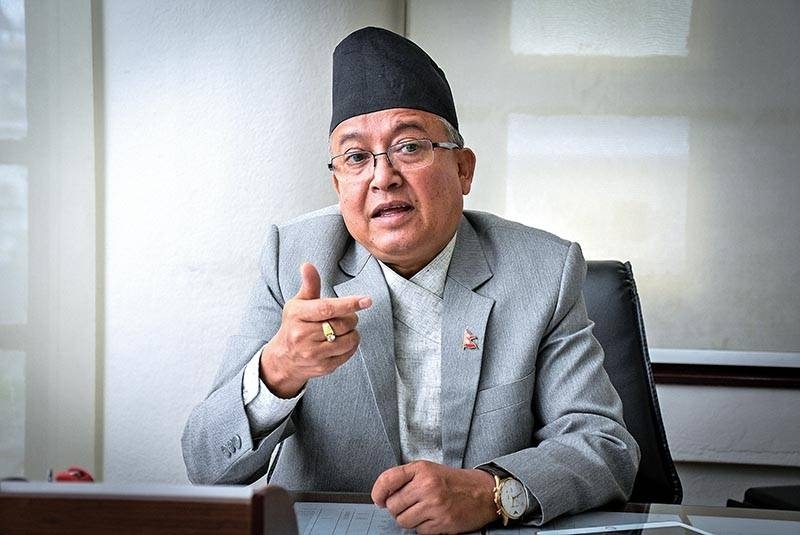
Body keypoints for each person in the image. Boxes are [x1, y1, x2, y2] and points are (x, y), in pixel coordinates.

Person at [182, 26, 639, 533]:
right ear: (338, 184)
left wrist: (491, 492)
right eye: (356, 157)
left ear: (463, 170)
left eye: (409, 146)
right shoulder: (294, 260)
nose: (383, 177)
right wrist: (279, 370)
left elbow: (605, 446)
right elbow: (206, 464)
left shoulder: (541, 270)